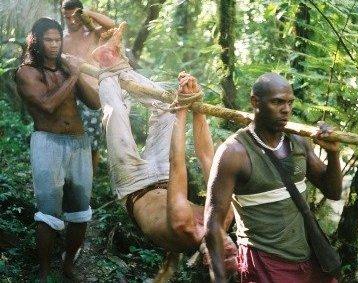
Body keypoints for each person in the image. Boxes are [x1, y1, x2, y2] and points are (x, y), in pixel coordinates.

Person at [90, 23, 237, 280]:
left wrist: (182, 111)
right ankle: (117, 63)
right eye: (234, 255)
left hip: (133, 186)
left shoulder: (186, 228)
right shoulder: (226, 217)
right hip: (161, 177)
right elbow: (208, 159)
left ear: (205, 256)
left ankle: (106, 67)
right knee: (165, 103)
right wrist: (195, 104)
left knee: (115, 116)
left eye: (223, 257)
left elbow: (177, 163)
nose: (230, 250)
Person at [204, 73, 343, 283]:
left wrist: (333, 154)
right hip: (266, 263)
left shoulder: (298, 142)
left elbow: (333, 192)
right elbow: (213, 223)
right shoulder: (234, 153)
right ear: (255, 102)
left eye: (289, 102)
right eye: (277, 102)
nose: (286, 109)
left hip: (310, 258)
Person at [15, 18, 100, 281]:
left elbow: (95, 103)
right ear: (37, 42)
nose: (54, 45)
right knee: (48, 211)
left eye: (57, 39)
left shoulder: (66, 69)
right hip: (48, 143)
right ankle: (43, 272)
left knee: (80, 210)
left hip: (78, 143)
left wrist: (76, 72)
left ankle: (68, 268)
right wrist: (74, 75)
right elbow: (48, 105)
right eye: (48, 40)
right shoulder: (26, 72)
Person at [62, 0, 116, 172]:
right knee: (69, 139)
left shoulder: (93, 34)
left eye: (75, 16)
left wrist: (88, 13)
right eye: (67, 17)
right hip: (70, 94)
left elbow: (112, 26)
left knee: (92, 143)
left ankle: (89, 184)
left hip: (93, 96)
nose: (71, 21)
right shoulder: (61, 39)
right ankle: (70, 176)